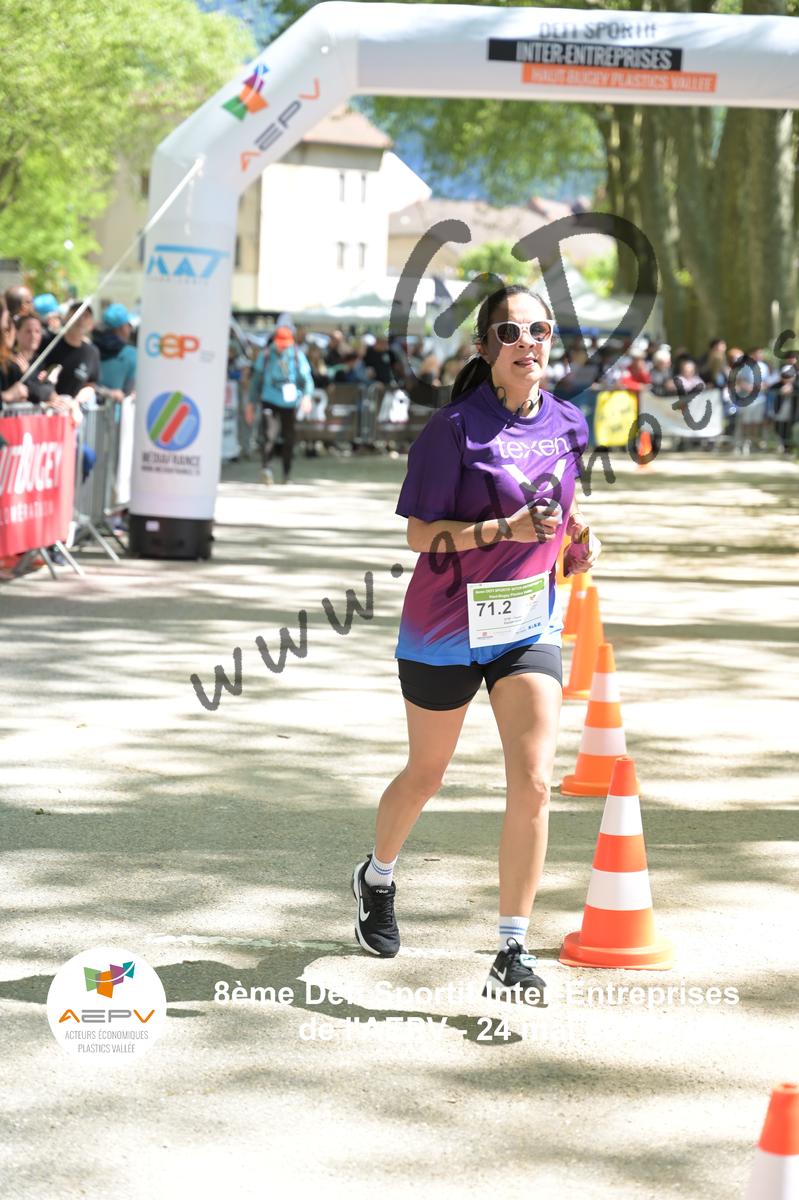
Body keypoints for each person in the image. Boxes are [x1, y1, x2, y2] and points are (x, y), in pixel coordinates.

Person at [350, 284, 601, 1004]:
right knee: (426, 775)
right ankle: (377, 876)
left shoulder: (568, 422)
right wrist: (503, 531)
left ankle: (512, 948)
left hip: (525, 624)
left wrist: (575, 539)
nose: (528, 343)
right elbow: (418, 537)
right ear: (486, 347)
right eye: (510, 332)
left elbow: (562, 508)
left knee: (534, 778)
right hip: (442, 627)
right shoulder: (452, 429)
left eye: (539, 330)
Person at [249, 324, 313, 485]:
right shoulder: (265, 355)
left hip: (290, 403)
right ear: (275, 341)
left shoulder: (297, 355)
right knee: (269, 435)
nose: (283, 347)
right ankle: (266, 469)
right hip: (269, 400)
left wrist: (307, 396)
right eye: (281, 344)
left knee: (289, 439)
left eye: (286, 344)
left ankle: (287, 474)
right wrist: (251, 403)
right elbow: (256, 380)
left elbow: (307, 379)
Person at [94, 303, 137, 400]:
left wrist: (103, 391)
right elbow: (128, 393)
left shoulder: (90, 348)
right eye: (128, 325)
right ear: (122, 328)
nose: (130, 329)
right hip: (116, 407)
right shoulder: (132, 354)